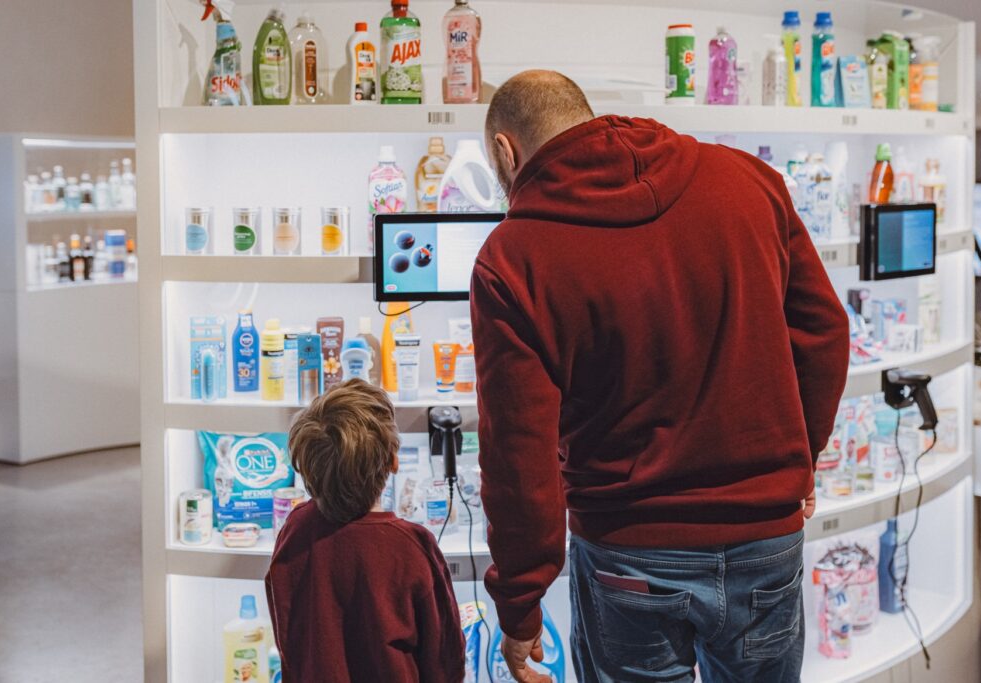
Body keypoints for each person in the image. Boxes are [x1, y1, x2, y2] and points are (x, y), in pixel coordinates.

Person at [472, 70, 850, 683]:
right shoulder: (747, 181)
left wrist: (521, 600)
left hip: (629, 550)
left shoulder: (513, 256)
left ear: (504, 152)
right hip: (765, 537)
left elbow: (519, 451)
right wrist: (799, 459)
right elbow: (824, 333)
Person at [265, 379, 465, 683]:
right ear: (393, 461)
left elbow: (288, 632)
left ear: (306, 468)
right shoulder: (411, 546)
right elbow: (445, 659)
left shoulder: (296, 529)